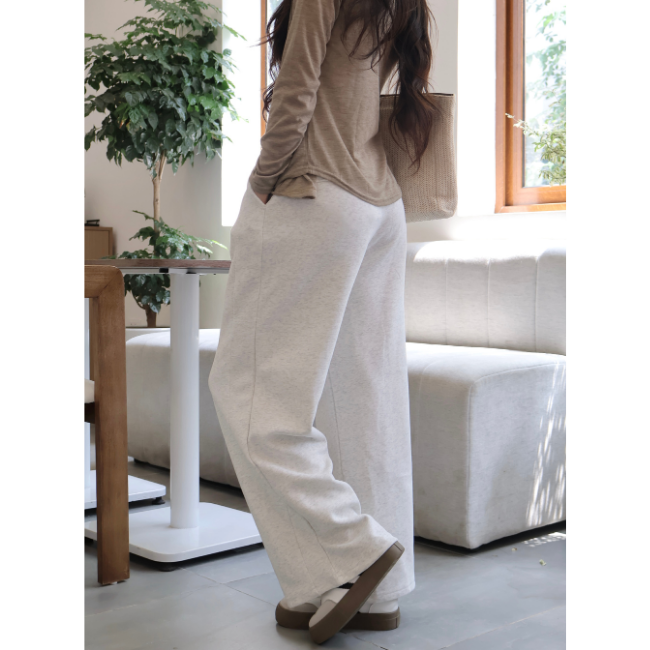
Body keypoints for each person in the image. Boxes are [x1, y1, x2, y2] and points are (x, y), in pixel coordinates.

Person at [209, 0, 436, 643]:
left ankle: (352, 552)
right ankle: (374, 594)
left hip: (315, 192)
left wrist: (261, 184)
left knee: (250, 396)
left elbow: (297, 90)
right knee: (365, 406)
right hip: (380, 205)